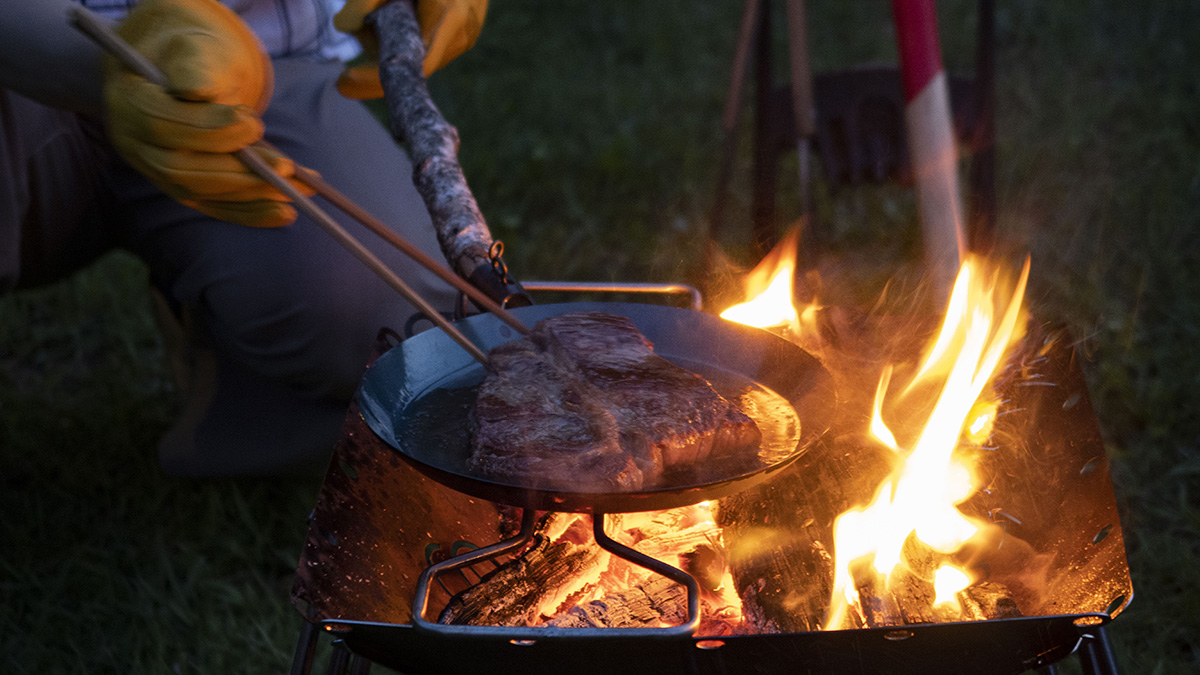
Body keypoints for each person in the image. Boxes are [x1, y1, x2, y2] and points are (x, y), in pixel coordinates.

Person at [0, 0, 487, 475]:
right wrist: (101, 61)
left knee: (398, 334)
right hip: (23, 73)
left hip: (254, 73)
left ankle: (223, 364)